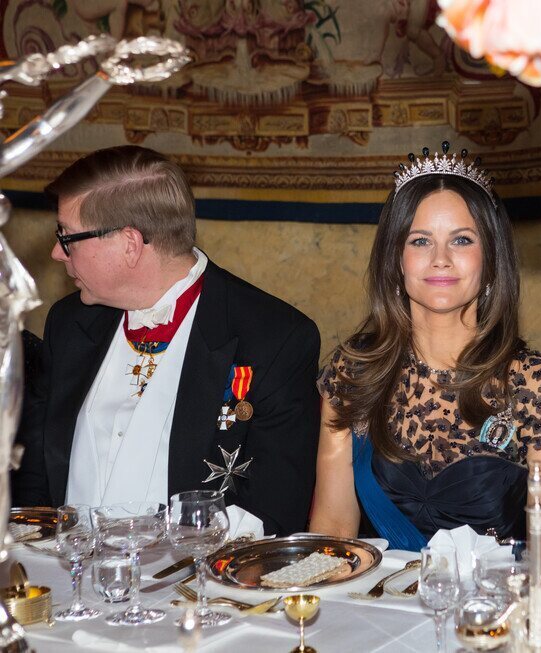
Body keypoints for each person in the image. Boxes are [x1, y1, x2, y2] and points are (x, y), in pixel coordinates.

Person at [13, 146, 320, 536]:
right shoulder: (70, 323)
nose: (57, 252)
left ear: (129, 243)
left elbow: (274, 514)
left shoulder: (274, 338)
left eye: (67, 236)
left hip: (190, 587)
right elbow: (34, 475)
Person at [310, 143, 541, 554]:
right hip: (379, 610)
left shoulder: (537, 386)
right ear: (395, 260)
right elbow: (333, 527)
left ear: (490, 258)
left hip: (496, 611)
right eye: (420, 241)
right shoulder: (354, 372)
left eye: (461, 240)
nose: (440, 259)